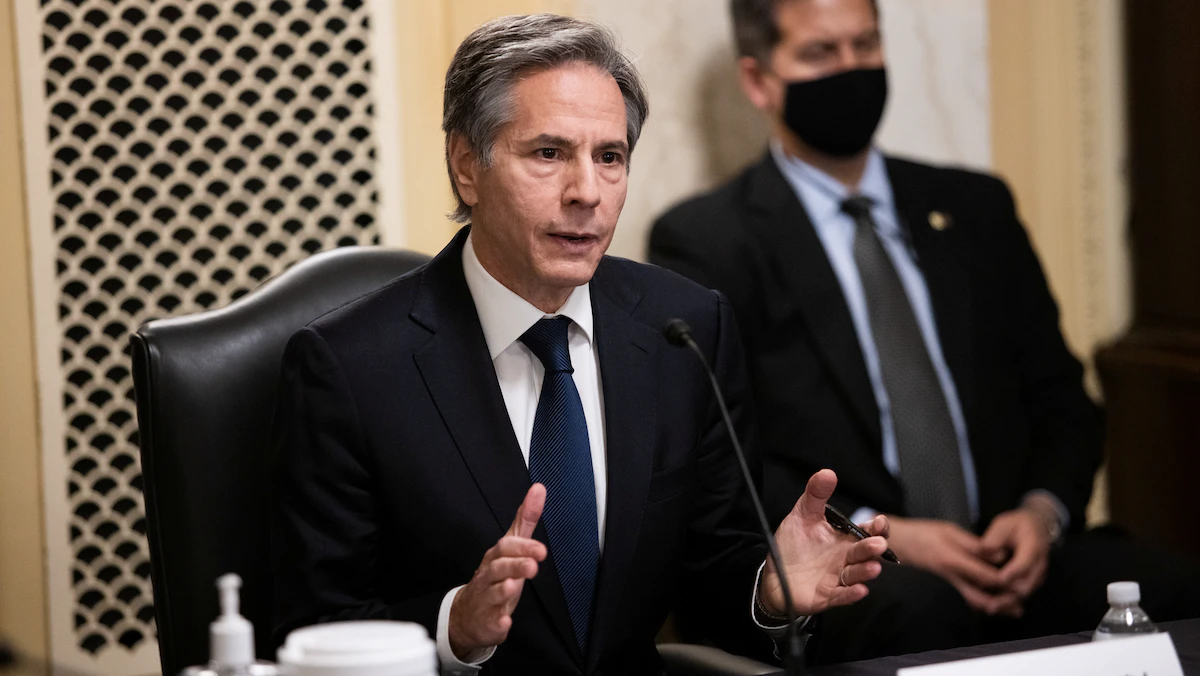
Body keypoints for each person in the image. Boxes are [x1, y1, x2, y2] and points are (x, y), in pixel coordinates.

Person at [270, 13, 893, 675]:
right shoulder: (350, 367)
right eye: (548, 153)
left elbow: (710, 572)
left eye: (610, 157)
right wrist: (454, 626)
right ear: (466, 166)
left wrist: (768, 589)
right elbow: (315, 626)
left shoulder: (685, 330)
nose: (587, 193)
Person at [649, 0, 1200, 664]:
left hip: (1013, 553)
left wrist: (1040, 515)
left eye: (865, 45)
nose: (851, 68)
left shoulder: (977, 208)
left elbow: (1062, 400)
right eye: (821, 52)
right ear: (758, 80)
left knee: (1173, 591)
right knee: (922, 611)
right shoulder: (710, 241)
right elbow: (728, 454)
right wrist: (882, 536)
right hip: (860, 565)